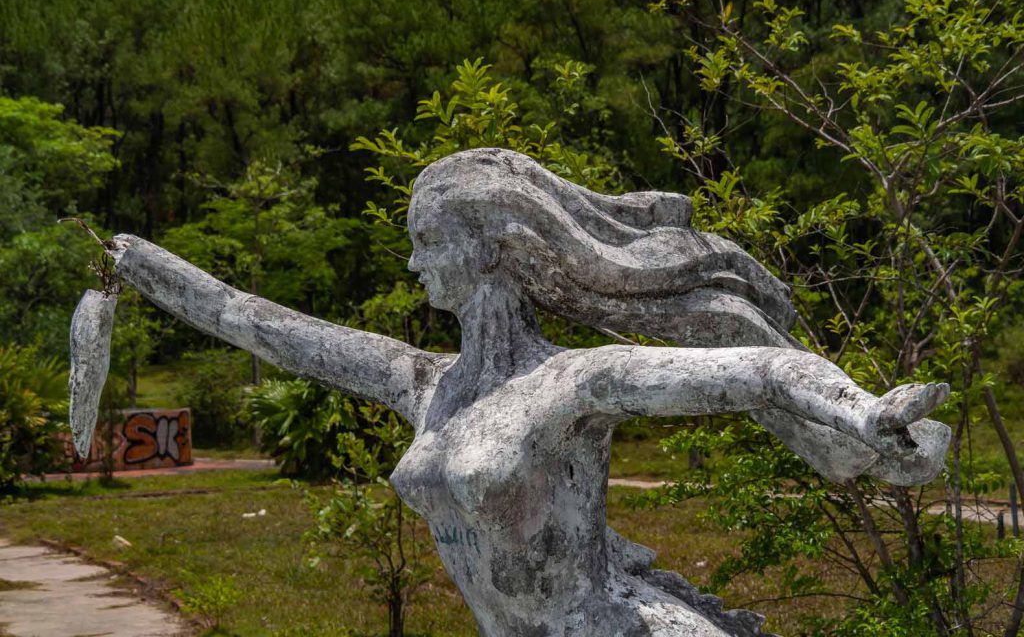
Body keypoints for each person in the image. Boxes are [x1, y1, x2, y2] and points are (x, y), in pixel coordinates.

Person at [70, 147, 949, 637]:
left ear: (489, 246)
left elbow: (750, 371)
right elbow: (247, 315)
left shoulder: (571, 384)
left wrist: (861, 413)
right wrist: (135, 263)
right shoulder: (419, 381)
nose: (412, 264)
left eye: (425, 242)